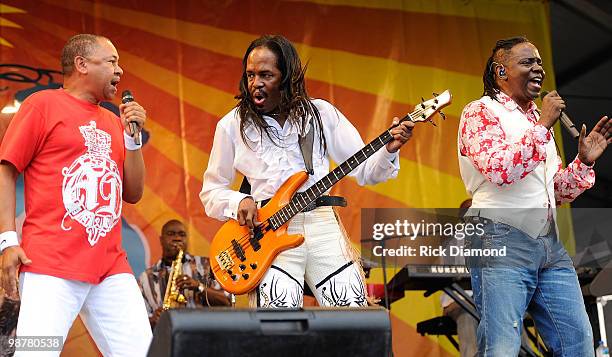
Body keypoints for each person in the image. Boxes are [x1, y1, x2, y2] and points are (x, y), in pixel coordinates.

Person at [200, 34, 414, 308]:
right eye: (251, 75)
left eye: (266, 75)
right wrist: (239, 201)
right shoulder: (231, 125)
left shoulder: (321, 114)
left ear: (287, 77)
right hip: (267, 234)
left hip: (321, 224)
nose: (256, 84)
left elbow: (366, 172)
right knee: (279, 323)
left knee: (351, 315)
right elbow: (211, 191)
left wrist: (390, 148)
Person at [458, 36, 612, 356]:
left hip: (548, 243)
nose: (538, 68)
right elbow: (500, 170)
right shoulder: (480, 112)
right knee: (502, 345)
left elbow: (554, 191)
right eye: (528, 62)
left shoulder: (534, 123)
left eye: (540, 62)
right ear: (501, 71)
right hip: (499, 235)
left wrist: (583, 162)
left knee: (577, 342)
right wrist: (543, 125)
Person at [0, 34, 151, 356]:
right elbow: (6, 169)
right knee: (34, 353)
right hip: (49, 265)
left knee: (142, 352)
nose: (120, 70)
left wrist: (132, 140)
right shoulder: (42, 105)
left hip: (110, 266)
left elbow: (134, 192)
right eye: (111, 61)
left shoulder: (113, 121)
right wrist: (7, 240)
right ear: (81, 64)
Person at [138, 219, 230, 329]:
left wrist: (198, 287)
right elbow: (134, 321)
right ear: (161, 240)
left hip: (203, 336)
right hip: (166, 340)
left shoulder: (205, 266)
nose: (177, 238)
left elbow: (227, 301)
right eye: (171, 234)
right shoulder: (146, 278)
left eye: (182, 235)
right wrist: (152, 320)